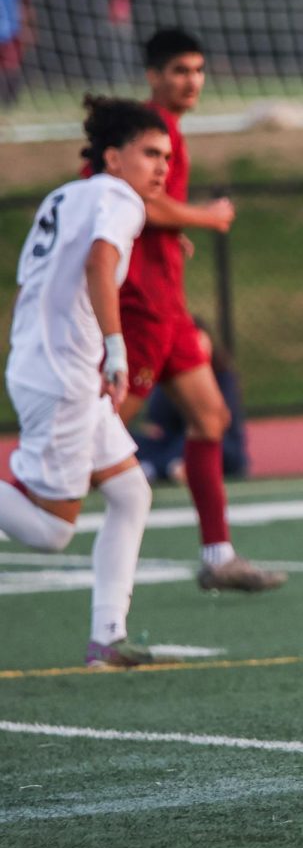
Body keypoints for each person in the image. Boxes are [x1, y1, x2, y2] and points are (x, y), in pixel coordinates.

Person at [104, 27, 283, 591]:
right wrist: (203, 217)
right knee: (99, 429)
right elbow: (126, 197)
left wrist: (170, 231)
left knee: (211, 418)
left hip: (171, 309)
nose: (191, 81)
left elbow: (148, 209)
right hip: (142, 308)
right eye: (180, 70)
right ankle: (29, 498)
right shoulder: (141, 130)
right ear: (153, 75)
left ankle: (218, 556)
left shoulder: (168, 130)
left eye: (198, 70)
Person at [1, 97, 168, 668]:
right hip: (64, 375)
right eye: (150, 153)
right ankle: (105, 639)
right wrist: (115, 351)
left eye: (166, 156)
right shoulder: (120, 198)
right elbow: (101, 262)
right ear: (114, 158)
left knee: (129, 492)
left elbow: (29, 286)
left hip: (49, 365)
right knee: (51, 532)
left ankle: (106, 638)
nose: (162, 167)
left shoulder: (64, 196)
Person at [130, 318, 249, 484]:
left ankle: (156, 468)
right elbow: (158, 420)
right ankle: (166, 467)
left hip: (218, 444)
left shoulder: (223, 377)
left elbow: (217, 420)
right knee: (131, 442)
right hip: (172, 442)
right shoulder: (169, 379)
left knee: (195, 438)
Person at [0, 0, 33, 110]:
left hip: (12, 34)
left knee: (12, 67)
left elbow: (24, 9)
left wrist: (26, 29)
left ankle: (10, 100)